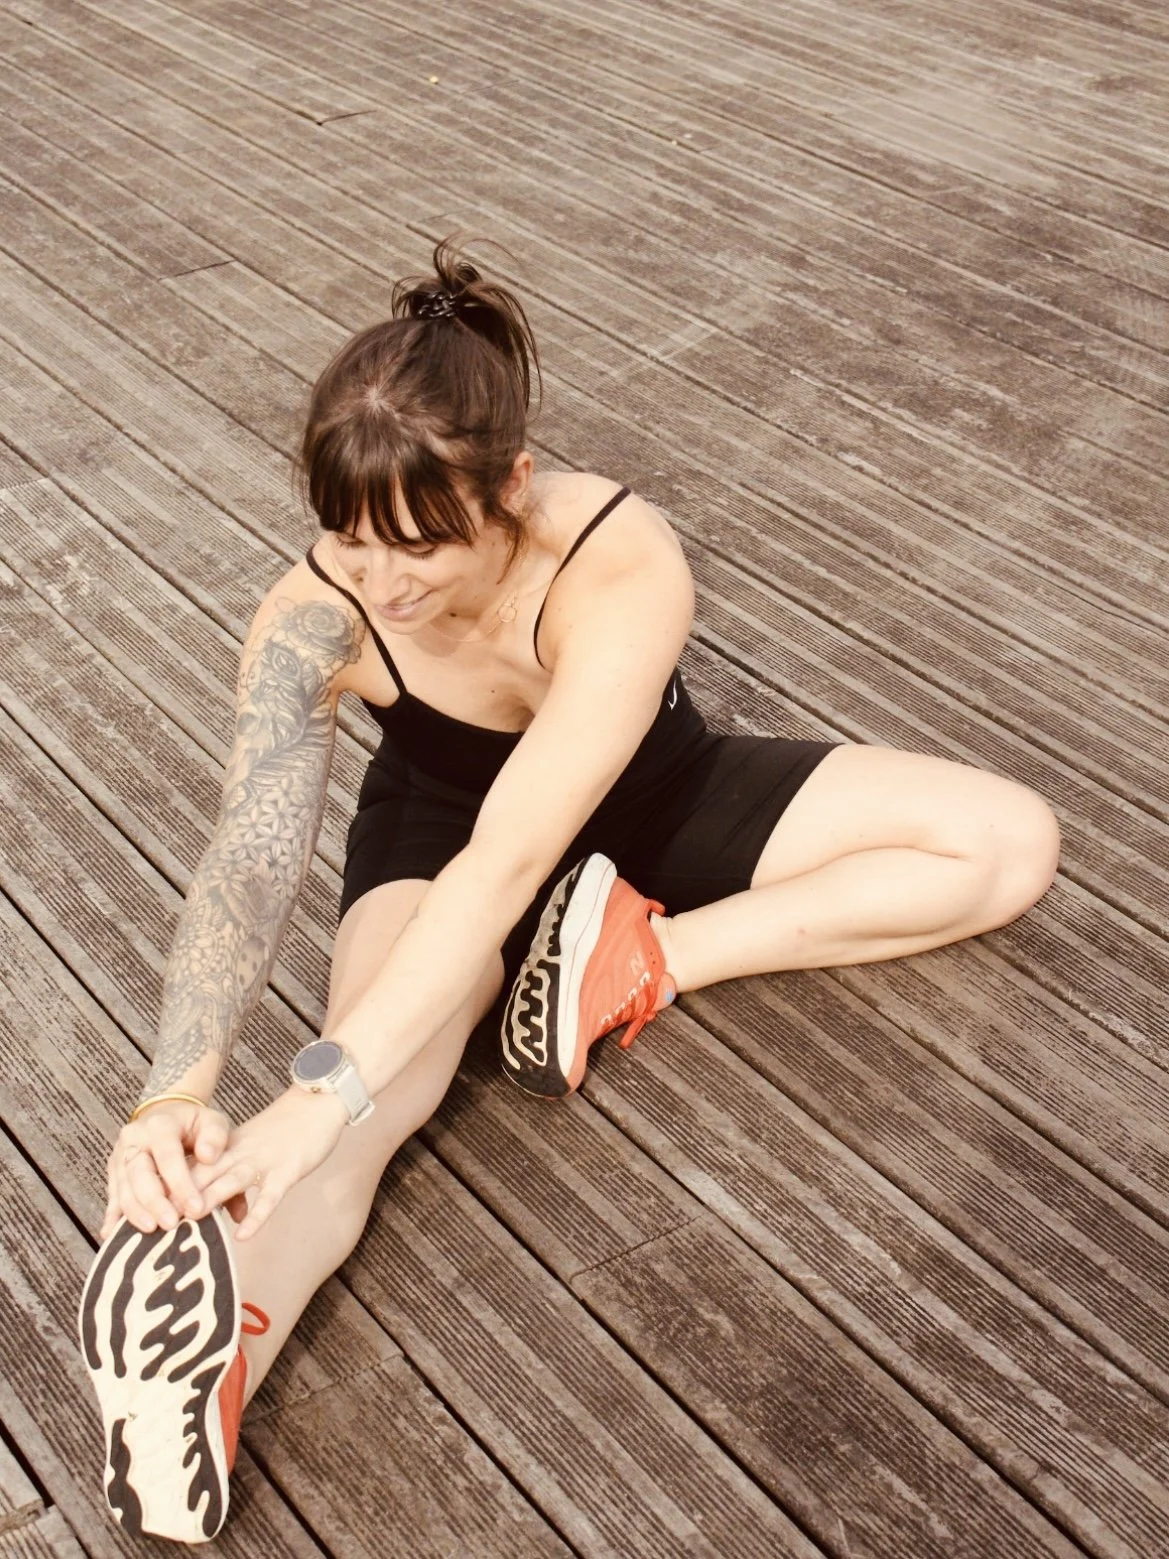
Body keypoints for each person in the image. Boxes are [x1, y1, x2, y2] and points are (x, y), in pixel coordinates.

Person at [77, 238, 1061, 1543]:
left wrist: (320, 1087)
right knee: (375, 1109)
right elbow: (250, 852)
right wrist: (180, 1084)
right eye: (350, 545)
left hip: (650, 797)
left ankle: (635, 961)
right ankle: (205, 1356)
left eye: (423, 548)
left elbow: (512, 867)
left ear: (514, 489)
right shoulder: (311, 616)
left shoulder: (617, 556)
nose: (386, 586)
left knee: (1004, 841)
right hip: (438, 825)